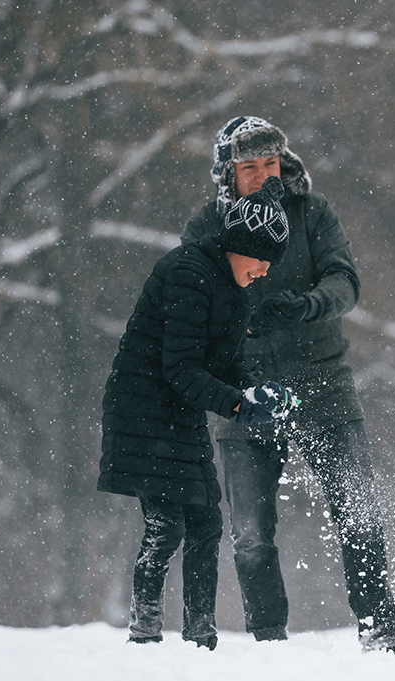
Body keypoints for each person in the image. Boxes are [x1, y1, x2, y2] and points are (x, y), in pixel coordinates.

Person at [180, 116, 395, 655]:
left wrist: (306, 306)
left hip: (323, 382)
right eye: (249, 167)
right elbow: (187, 302)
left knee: (360, 515)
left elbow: (345, 282)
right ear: (227, 172)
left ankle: (379, 632)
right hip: (243, 395)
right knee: (251, 537)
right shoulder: (207, 223)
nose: (261, 175)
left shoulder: (313, 212)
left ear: (285, 163)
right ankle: (268, 645)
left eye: (270, 164)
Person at [98, 176, 298, 649]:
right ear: (241, 245)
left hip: (180, 410)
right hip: (142, 409)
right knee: (167, 526)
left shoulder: (234, 288)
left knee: (206, 523)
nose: (266, 271)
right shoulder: (189, 271)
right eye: (263, 259)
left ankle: (199, 636)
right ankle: (145, 633)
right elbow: (180, 366)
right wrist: (237, 404)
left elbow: (224, 362)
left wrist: (259, 392)